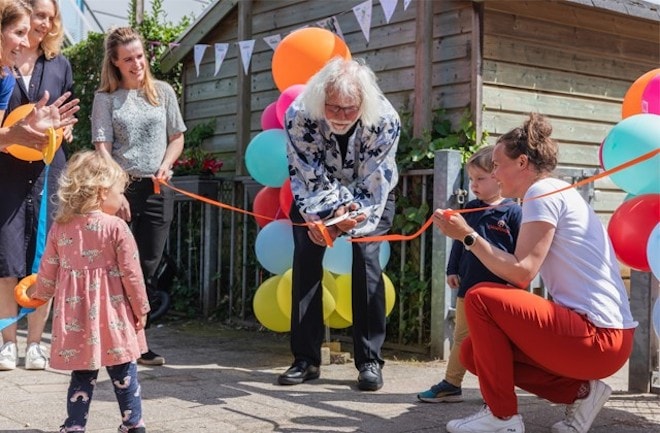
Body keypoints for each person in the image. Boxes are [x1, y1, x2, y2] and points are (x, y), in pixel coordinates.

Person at [433, 113, 637, 433]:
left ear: (523, 163)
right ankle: (582, 393)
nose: (495, 173)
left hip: (599, 337)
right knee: (473, 353)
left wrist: (466, 236)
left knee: (479, 298)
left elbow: (521, 273)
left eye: (498, 164)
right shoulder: (553, 191)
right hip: (603, 339)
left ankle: (503, 418)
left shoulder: (541, 194)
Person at [278, 57, 400, 391]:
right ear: (321, 99)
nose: (341, 116)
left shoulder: (386, 119)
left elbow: (377, 181)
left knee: (367, 262)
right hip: (314, 192)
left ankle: (370, 360)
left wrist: (348, 217)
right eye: (333, 107)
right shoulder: (299, 115)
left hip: (369, 194)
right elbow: (307, 173)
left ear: (363, 103)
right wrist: (328, 221)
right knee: (305, 262)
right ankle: (305, 359)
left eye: (350, 109)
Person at [28, 150, 149, 433]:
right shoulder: (117, 227)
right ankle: (133, 423)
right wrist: (141, 308)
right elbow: (133, 274)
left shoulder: (61, 227)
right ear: (101, 191)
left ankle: (75, 425)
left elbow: (48, 268)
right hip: (114, 314)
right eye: (119, 192)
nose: (122, 199)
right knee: (123, 369)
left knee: (82, 372)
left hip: (76, 315)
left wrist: (39, 296)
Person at [91, 26, 186, 366]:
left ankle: (132, 337)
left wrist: (166, 164)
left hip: (159, 188)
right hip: (121, 188)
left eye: (140, 56)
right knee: (116, 265)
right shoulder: (106, 99)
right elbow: (102, 147)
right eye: (128, 59)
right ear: (115, 63)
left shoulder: (163, 92)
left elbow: (177, 136)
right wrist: (116, 188)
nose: (137, 64)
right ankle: (129, 343)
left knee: (146, 266)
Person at [0, 0, 79, 371]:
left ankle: (35, 345)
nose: (46, 23)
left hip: (50, 168)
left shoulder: (60, 64)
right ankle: (7, 343)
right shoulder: (5, 60)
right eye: (40, 15)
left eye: (52, 17)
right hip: (7, 168)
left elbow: (66, 116)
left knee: (46, 257)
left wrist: (66, 128)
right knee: (7, 256)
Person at [417, 145, 521, 403]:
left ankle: (497, 389)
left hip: (500, 292)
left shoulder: (514, 212)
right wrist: (452, 268)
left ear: (498, 177)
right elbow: (458, 240)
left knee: (498, 342)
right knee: (462, 337)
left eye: (481, 179)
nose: (474, 185)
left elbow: (521, 254)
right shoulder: (471, 209)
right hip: (468, 287)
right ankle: (452, 384)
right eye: (472, 179)